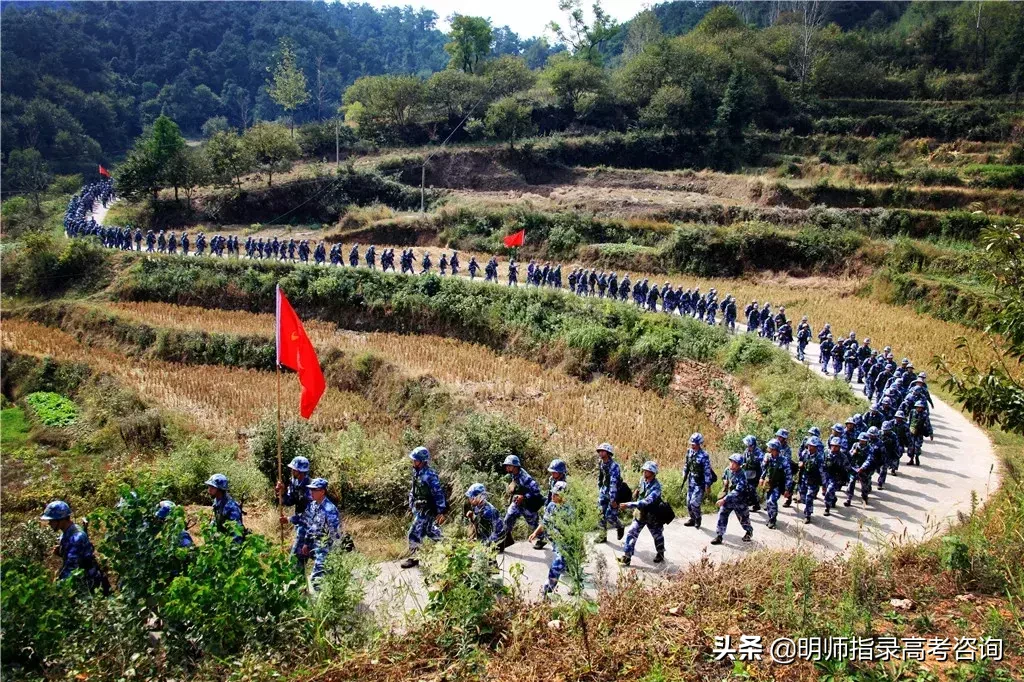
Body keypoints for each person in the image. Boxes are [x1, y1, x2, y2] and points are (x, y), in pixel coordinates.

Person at [40, 500, 110, 593]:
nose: (49, 523)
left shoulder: (76, 537)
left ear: (61, 520)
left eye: (52, 521)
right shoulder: (67, 532)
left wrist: (57, 589)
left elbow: (71, 568)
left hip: (89, 584)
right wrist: (61, 552)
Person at [402, 446, 447, 568]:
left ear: (422, 461)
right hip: (419, 508)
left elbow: (438, 493)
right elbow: (414, 490)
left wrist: (441, 511)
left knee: (414, 532)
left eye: (415, 460)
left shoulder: (430, 475)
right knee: (429, 531)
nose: (413, 462)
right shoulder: (416, 473)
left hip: (427, 509)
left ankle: (414, 558)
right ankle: (448, 545)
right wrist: (411, 504)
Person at [617, 461, 666, 566]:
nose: (644, 473)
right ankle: (627, 556)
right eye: (644, 470)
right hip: (641, 514)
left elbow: (645, 502)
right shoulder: (642, 480)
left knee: (657, 536)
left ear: (653, 473)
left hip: (653, 515)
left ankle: (660, 553)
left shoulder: (656, 488)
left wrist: (628, 505)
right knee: (631, 532)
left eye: (647, 471)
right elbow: (640, 492)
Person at [300, 478, 342, 590]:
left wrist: (334, 552)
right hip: (317, 545)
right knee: (329, 576)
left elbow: (335, 534)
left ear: (322, 491)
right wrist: (306, 543)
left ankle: (323, 603)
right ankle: (333, 598)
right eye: (311, 490)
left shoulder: (329, 509)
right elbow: (309, 524)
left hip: (327, 547)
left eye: (314, 490)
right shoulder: (314, 505)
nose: (311, 492)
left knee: (316, 578)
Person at [530, 480, 570, 595]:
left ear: (563, 496)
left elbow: (573, 532)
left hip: (566, 543)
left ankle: (547, 590)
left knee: (559, 564)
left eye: (556, 494)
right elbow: (545, 522)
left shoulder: (569, 511)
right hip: (557, 541)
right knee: (563, 565)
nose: (552, 496)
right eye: (553, 493)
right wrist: (535, 533)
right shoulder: (551, 506)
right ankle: (548, 592)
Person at [500, 455, 545, 549]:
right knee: (508, 518)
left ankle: (541, 539)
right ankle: (503, 540)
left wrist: (524, 497)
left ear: (515, 466)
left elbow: (536, 491)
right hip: (517, 503)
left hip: (528, 505)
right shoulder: (513, 474)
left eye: (509, 465)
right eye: (507, 465)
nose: (507, 467)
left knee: (533, 524)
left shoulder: (526, 478)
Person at [276, 456, 312, 568]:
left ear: (299, 471)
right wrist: (282, 493)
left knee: (295, 561)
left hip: (310, 526)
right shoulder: (294, 482)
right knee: (300, 559)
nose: (292, 471)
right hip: (300, 524)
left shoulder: (310, 488)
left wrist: (289, 519)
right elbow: (289, 501)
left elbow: (309, 515)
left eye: (294, 469)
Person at [711, 454, 754, 544]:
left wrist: (724, 499)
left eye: (734, 463)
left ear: (739, 465)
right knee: (722, 514)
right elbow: (724, 476)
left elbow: (737, 491)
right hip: (729, 500)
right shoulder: (728, 470)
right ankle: (719, 535)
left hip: (740, 501)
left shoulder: (742, 475)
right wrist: (725, 481)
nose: (731, 464)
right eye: (731, 462)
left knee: (744, 518)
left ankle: (749, 532)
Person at [759, 439, 792, 530]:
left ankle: (773, 520)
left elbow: (789, 475)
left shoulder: (783, 460)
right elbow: (765, 469)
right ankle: (770, 518)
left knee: (771, 501)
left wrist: (787, 489)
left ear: (774, 449)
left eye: (770, 447)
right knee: (768, 501)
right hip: (769, 484)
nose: (768, 448)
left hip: (778, 485)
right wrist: (762, 478)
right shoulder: (768, 457)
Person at [682, 433, 712, 529]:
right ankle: (692, 519)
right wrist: (684, 473)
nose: (692, 445)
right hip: (691, 480)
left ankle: (698, 518)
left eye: (694, 443)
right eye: (691, 443)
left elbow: (707, 471)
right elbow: (687, 464)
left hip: (700, 482)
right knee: (688, 502)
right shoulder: (689, 452)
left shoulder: (704, 455)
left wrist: (708, 484)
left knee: (694, 503)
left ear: (699, 444)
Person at [596, 443, 625, 542]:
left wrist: (613, 499)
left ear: (608, 453)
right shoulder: (601, 463)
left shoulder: (614, 466)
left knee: (610, 517)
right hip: (604, 492)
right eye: (599, 451)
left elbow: (613, 483)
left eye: (602, 451)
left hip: (614, 494)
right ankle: (602, 536)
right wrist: (600, 488)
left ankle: (620, 525)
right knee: (600, 513)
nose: (600, 453)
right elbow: (600, 477)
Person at [205, 474, 245, 541]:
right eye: (209, 487)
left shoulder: (231, 507)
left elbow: (236, 532)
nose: (209, 490)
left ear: (220, 489)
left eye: (212, 487)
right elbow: (216, 521)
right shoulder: (217, 502)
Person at [465, 483, 505, 549]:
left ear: (479, 497)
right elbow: (479, 522)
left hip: (492, 543)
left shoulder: (490, 511)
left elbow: (499, 531)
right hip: (482, 539)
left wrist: (486, 545)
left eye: (471, 497)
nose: (470, 500)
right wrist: (472, 517)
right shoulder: (477, 507)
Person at [797, 437, 824, 524]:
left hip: (813, 481)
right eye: (809, 445)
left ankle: (808, 515)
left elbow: (822, 471)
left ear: (816, 447)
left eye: (812, 446)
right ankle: (807, 508)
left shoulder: (819, 457)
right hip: (804, 479)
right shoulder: (804, 453)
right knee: (803, 497)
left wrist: (824, 484)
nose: (810, 447)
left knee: (809, 497)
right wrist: (800, 464)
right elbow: (801, 461)